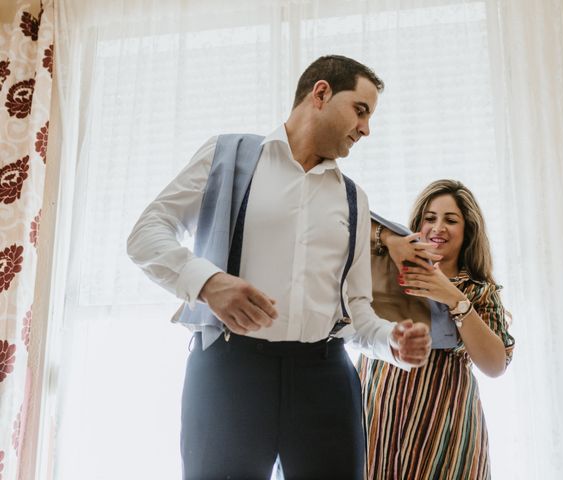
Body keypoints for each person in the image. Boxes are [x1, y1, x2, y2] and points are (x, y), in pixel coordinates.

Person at [127, 55, 430, 479]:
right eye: (360, 110)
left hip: (325, 379)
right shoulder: (225, 156)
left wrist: (391, 343)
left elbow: (357, 313)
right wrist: (208, 283)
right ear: (321, 93)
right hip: (228, 374)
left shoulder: (353, 199)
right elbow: (146, 233)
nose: (366, 128)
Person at [359, 179, 515, 479]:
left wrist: (454, 298)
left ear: (468, 230)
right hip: (377, 414)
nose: (438, 227)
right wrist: (390, 240)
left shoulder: (477, 291)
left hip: (444, 425)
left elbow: (496, 365)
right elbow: (342, 224)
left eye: (450, 220)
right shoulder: (389, 276)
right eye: (429, 218)